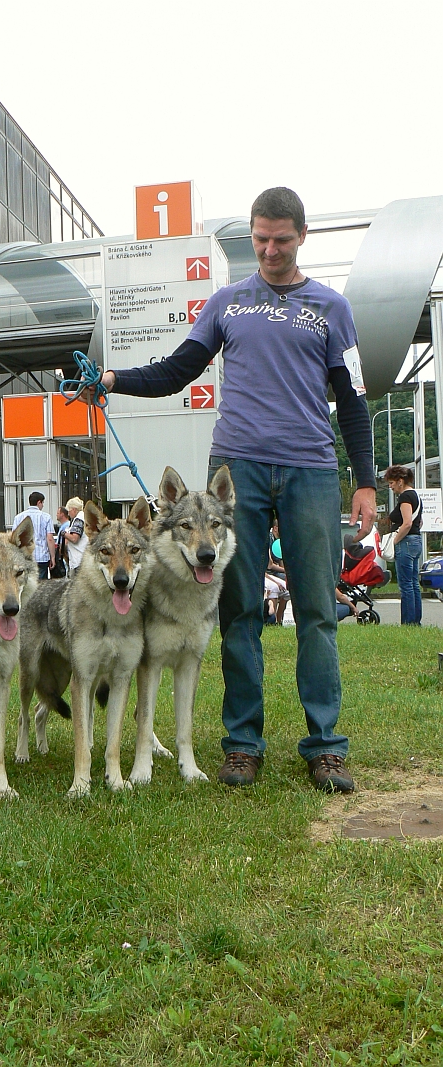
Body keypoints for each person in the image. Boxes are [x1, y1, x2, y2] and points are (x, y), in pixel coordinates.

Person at [89, 187, 376, 793]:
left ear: (303, 237)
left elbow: (351, 400)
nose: (270, 251)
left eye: (281, 240)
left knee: (319, 611)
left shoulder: (332, 308)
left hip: (311, 469)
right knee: (238, 612)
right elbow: (177, 369)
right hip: (237, 470)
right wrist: (112, 380)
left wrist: (367, 480)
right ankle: (243, 744)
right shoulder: (227, 303)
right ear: (252, 236)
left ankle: (325, 746)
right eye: (260, 239)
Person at [385, 463, 423, 625]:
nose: (390, 487)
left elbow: (407, 523)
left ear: (400, 481)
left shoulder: (405, 497)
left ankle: (408, 622)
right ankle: (415, 621)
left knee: (406, 585)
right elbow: (418, 522)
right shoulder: (415, 496)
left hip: (406, 542)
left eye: (392, 483)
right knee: (414, 583)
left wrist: (394, 540)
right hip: (416, 541)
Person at [12, 492, 55, 580]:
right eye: (43, 503)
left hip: (23, 557)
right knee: (42, 585)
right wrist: (53, 557)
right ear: (39, 502)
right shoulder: (46, 517)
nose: (42, 505)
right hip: (42, 556)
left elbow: (13, 539)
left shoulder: (18, 517)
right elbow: (50, 539)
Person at [63, 497, 89, 573]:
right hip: (82, 558)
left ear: (74, 509)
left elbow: (74, 538)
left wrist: (64, 533)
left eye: (69, 511)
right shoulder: (82, 517)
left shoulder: (79, 520)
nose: (68, 514)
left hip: (78, 560)